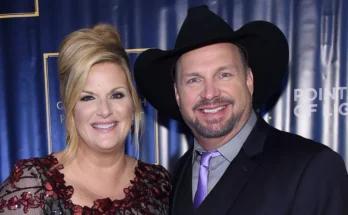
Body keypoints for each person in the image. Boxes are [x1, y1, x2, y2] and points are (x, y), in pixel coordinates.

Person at [133, 5, 348, 215]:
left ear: (249, 80)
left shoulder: (312, 169)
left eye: (224, 74)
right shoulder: (179, 173)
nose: (209, 93)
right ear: (178, 95)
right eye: (194, 79)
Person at [0, 23, 171, 214]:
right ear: (69, 106)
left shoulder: (158, 185)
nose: (104, 110)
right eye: (87, 97)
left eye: (116, 95)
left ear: (133, 102)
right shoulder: (33, 185)